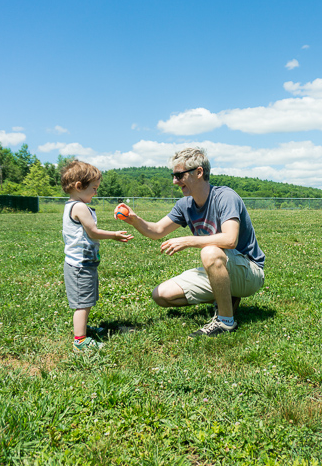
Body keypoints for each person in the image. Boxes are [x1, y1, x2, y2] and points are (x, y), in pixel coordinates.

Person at [114, 147, 265, 337]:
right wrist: (134, 220)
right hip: (222, 267)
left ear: (199, 172)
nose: (174, 181)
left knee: (209, 251)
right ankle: (226, 297)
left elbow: (230, 239)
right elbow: (157, 231)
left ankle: (226, 321)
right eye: (173, 175)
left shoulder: (225, 197)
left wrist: (187, 240)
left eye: (179, 175)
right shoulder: (185, 205)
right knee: (160, 295)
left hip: (250, 272)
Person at [61, 160, 133, 352]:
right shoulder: (79, 207)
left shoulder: (73, 205)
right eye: (94, 188)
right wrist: (114, 235)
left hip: (84, 263)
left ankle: (83, 328)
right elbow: (92, 232)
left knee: (87, 299)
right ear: (79, 186)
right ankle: (80, 340)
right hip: (79, 265)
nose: (95, 192)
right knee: (82, 303)